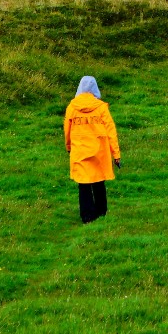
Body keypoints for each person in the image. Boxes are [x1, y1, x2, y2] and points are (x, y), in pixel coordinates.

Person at [63, 75, 121, 223]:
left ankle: (87, 216)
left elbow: (67, 130)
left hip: (80, 151)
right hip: (99, 152)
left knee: (84, 185)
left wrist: (69, 146)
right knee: (99, 181)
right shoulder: (101, 108)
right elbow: (110, 131)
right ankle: (101, 212)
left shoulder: (72, 107)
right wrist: (116, 154)